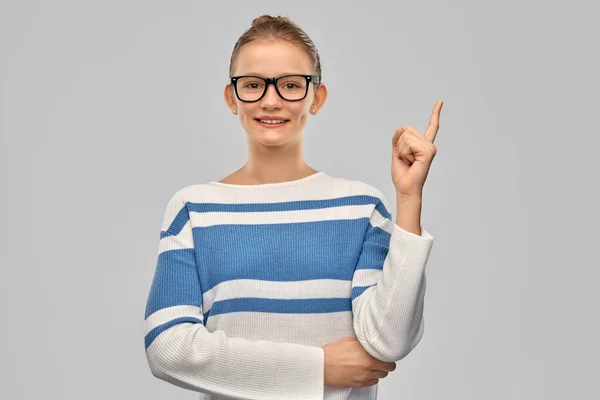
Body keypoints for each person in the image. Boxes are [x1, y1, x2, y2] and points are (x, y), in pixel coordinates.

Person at [143, 14, 443, 400]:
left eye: (290, 85)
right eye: (252, 85)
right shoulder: (194, 209)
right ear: (231, 97)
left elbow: (389, 342)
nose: (271, 100)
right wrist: (317, 367)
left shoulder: (361, 208)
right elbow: (166, 347)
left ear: (316, 97)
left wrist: (408, 199)